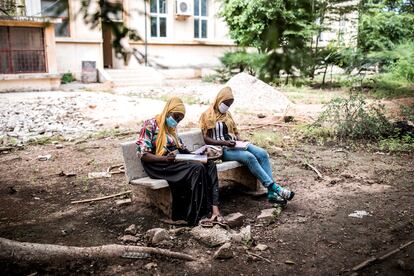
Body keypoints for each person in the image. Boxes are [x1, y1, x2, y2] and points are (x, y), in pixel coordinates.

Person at [136, 97, 225, 226]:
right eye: (175, 117)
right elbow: (143, 154)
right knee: (197, 168)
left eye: (179, 119)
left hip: (171, 161)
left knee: (209, 164)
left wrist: (200, 156)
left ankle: (214, 210)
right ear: (168, 111)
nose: (176, 121)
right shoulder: (150, 125)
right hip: (156, 164)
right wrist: (165, 158)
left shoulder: (172, 130)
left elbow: (182, 149)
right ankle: (196, 216)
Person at [199, 87, 295, 204]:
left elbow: (235, 131)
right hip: (221, 149)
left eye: (229, 105)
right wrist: (224, 142)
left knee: (262, 154)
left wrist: (241, 141)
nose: (227, 107)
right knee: (249, 157)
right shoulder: (207, 115)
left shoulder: (227, 115)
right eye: (225, 103)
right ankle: (275, 188)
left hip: (234, 144)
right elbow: (206, 138)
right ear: (219, 100)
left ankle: (271, 194)